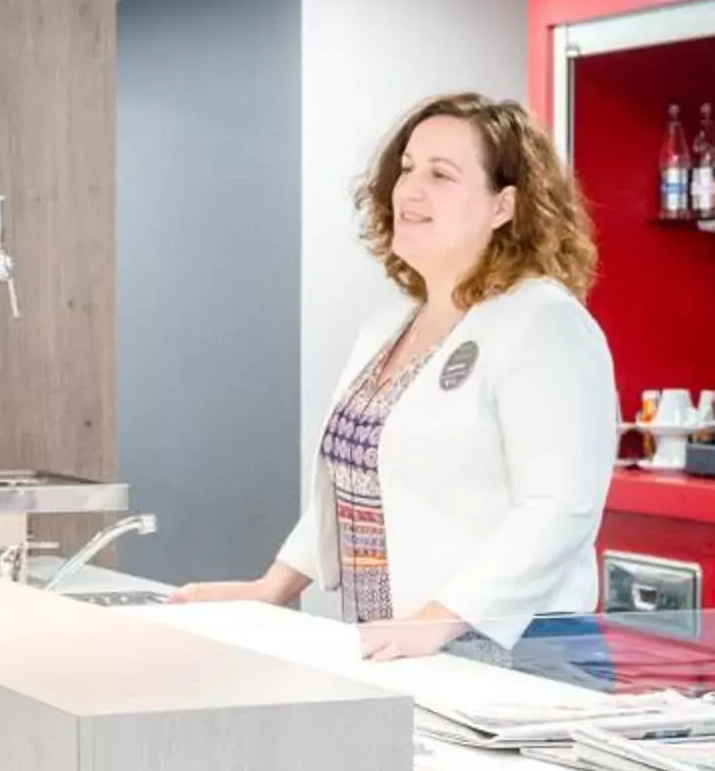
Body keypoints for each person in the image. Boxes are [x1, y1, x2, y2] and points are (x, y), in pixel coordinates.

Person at [176, 92, 615, 658]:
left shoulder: (544, 321)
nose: (409, 189)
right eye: (407, 168)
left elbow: (559, 509)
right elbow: (354, 484)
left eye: (441, 174)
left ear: (504, 205)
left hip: (515, 655)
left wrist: (437, 620)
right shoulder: (387, 327)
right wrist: (273, 588)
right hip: (403, 649)